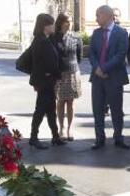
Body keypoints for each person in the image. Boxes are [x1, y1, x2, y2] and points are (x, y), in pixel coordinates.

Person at [89, 5, 130, 150]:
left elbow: (120, 55)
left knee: (116, 110)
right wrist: (97, 69)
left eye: (98, 15)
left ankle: (118, 137)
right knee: (98, 109)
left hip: (114, 77)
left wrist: (104, 68)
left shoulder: (121, 33)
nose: (96, 18)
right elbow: (91, 53)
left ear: (107, 15)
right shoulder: (96, 33)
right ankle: (99, 138)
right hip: (98, 78)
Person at [28, 13, 65, 149]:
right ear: (46, 26)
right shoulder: (42, 41)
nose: (54, 26)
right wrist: (57, 75)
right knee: (40, 110)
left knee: (50, 110)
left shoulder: (42, 39)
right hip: (45, 82)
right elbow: (49, 63)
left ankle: (55, 136)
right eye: (52, 24)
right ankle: (33, 137)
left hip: (46, 81)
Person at [53, 14, 81, 142]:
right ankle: (61, 128)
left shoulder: (76, 37)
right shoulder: (54, 37)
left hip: (72, 72)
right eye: (66, 21)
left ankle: (70, 128)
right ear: (60, 22)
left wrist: (73, 67)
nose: (69, 23)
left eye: (70, 21)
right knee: (60, 101)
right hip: (59, 74)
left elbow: (79, 57)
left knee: (71, 102)